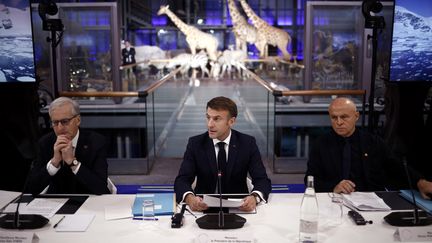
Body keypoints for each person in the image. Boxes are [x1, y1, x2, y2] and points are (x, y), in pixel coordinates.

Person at [305, 97, 432, 197]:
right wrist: (334, 187)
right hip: (335, 200)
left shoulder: (373, 142)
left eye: (344, 117)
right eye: (334, 117)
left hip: (371, 201)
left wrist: (420, 182)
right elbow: (310, 179)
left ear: (356, 116)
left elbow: (397, 167)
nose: (339, 122)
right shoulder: (321, 144)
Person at [174, 96, 272, 212]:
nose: (210, 124)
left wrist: (254, 198)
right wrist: (190, 199)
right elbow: (182, 180)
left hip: (239, 208)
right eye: (208, 118)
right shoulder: (195, 144)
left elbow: (262, 180)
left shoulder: (247, 143)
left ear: (231, 121)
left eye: (216, 119)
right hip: (203, 208)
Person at [27, 97, 110, 195]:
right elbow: (31, 189)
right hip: (57, 201)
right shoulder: (45, 143)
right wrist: (54, 163)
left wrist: (73, 162)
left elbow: (100, 187)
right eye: (55, 123)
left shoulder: (96, 142)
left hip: (89, 199)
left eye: (65, 121)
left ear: (78, 120)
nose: (60, 128)